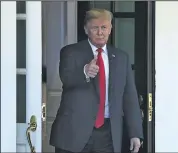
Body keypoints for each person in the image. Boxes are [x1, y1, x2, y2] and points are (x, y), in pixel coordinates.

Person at [50, 8, 143, 153]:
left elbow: (129, 96)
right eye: (95, 28)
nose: (100, 32)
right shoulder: (70, 52)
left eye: (104, 27)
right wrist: (85, 71)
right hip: (74, 133)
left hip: (107, 135)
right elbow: (66, 78)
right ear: (86, 29)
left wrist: (135, 133)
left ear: (110, 28)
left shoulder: (121, 57)